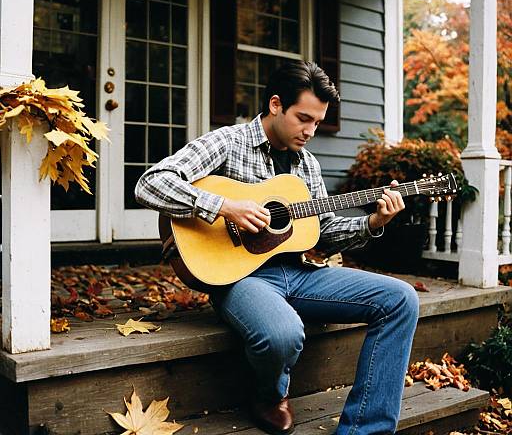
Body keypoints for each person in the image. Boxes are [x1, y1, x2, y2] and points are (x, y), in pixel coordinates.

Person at [135, 61, 419, 435]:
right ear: (274, 105)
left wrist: (373, 223)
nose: (311, 131)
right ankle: (270, 394)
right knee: (283, 334)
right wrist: (224, 206)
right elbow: (150, 183)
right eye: (303, 118)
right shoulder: (227, 142)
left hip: (300, 274)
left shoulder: (308, 164)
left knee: (401, 298)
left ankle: (365, 430)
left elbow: (324, 232)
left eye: (317, 122)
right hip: (240, 278)